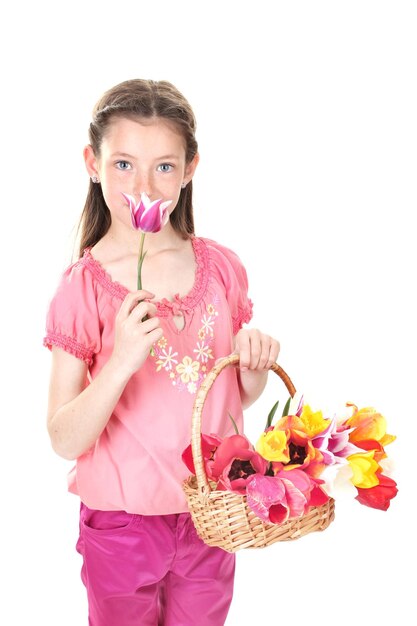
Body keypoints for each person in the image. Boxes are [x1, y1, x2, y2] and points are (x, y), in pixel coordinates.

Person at [44, 78, 280, 626]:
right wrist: (122, 359)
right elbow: (63, 438)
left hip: (212, 514)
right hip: (122, 525)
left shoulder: (220, 268)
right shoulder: (84, 286)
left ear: (191, 167)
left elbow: (232, 394)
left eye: (165, 167)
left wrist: (254, 367)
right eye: (123, 164)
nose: (143, 186)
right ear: (92, 162)